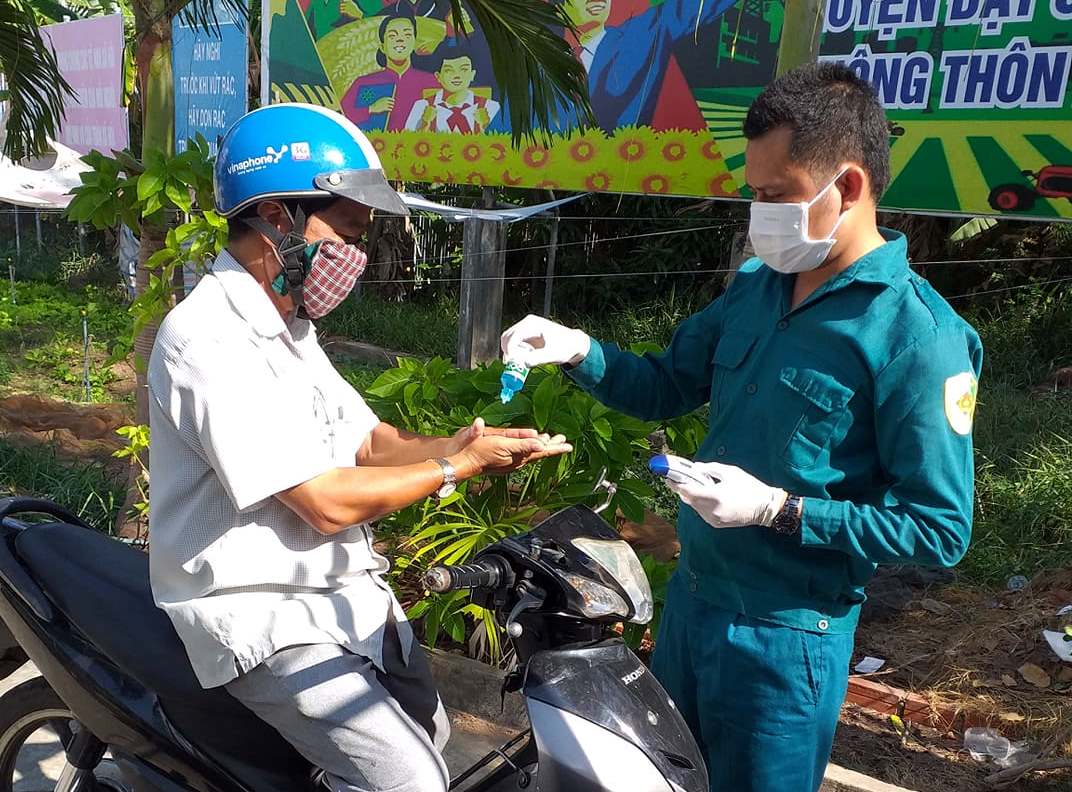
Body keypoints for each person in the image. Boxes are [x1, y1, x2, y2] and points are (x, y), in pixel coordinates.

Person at [501, 63, 982, 792]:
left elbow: (940, 528)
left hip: (786, 644)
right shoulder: (758, 288)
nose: (759, 213)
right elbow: (665, 386)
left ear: (846, 187)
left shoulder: (919, 338)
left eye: (773, 196)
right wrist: (579, 349)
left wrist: (777, 509)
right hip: (692, 607)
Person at [148, 103, 571, 792]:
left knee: (434, 739)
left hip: (338, 594)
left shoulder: (289, 327)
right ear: (277, 219)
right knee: (409, 781)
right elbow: (321, 502)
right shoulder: (208, 337)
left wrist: (467, 442)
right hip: (261, 611)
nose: (357, 255)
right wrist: (455, 466)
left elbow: (371, 443)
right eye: (346, 231)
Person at [340, 8, 438, 131]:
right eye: (392, 35)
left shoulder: (432, 82)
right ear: (382, 47)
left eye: (407, 35)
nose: (400, 40)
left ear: (414, 43)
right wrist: (371, 109)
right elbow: (340, 115)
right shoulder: (363, 82)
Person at [404, 49, 500, 133]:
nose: (457, 76)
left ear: (472, 75)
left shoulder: (491, 107)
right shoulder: (421, 107)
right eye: (449, 70)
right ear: (438, 76)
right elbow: (407, 145)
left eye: (463, 70)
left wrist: (485, 127)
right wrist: (424, 124)